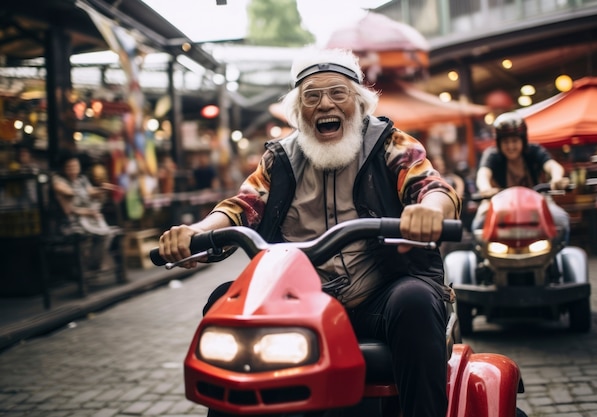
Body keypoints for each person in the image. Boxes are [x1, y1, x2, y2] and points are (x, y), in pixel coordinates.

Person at [158, 48, 461, 417]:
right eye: (311, 96)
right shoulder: (279, 159)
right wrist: (196, 232)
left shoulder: (391, 143)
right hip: (300, 302)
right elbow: (242, 206)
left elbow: (431, 187)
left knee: (414, 300)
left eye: (337, 93)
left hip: (378, 295)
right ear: (299, 110)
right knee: (225, 303)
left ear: (359, 103)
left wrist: (428, 212)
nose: (324, 104)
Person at [471, 112, 570, 242]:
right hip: (499, 204)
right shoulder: (492, 155)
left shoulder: (534, 150)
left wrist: (557, 178)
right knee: (478, 226)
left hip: (537, 202)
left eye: (515, 141)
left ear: (523, 140)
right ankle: (483, 260)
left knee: (561, 220)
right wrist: (485, 189)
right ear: (499, 143)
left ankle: (555, 257)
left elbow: (552, 166)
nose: (511, 146)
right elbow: (483, 174)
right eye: (506, 142)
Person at [52, 149, 121, 270]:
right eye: (69, 167)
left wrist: (102, 189)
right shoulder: (58, 181)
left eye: (75, 166)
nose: (73, 169)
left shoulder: (82, 180)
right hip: (72, 222)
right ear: (63, 168)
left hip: (88, 218)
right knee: (101, 234)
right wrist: (87, 211)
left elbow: (91, 193)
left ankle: (93, 264)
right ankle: (91, 265)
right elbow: (69, 210)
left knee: (108, 233)